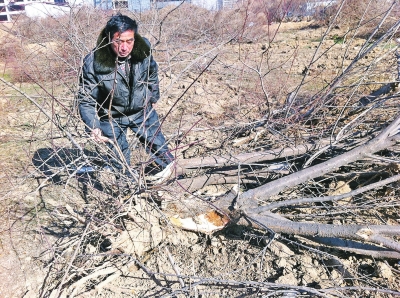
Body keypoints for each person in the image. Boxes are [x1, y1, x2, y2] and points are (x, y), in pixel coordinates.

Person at [77, 13, 174, 181]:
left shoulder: (143, 49)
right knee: (119, 160)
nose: (124, 47)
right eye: (119, 41)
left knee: (159, 147)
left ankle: (173, 179)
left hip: (141, 111)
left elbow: (152, 73)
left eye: (129, 41)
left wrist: (152, 97)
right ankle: (126, 187)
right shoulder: (93, 62)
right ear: (109, 39)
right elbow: (85, 98)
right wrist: (94, 126)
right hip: (112, 116)